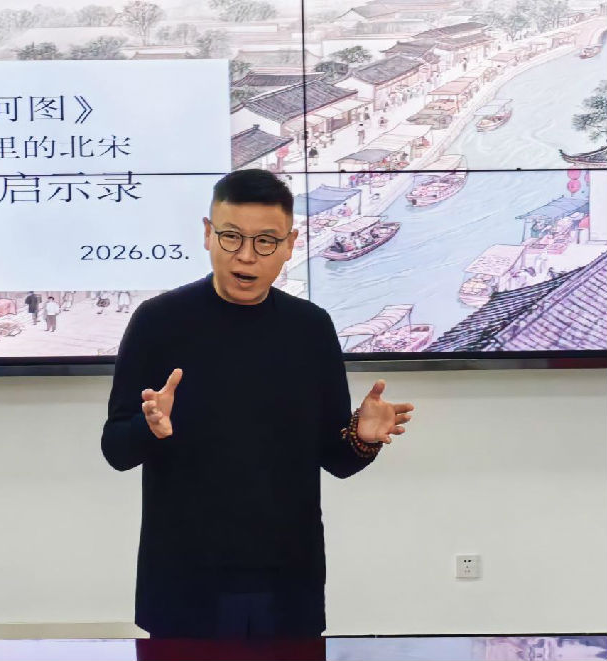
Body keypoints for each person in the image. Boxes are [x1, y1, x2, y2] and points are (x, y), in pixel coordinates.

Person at [101, 169, 415, 639]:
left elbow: (337, 460)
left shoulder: (310, 328)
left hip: (288, 578)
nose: (246, 256)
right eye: (231, 237)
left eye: (266, 241)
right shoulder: (158, 322)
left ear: (290, 245)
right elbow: (116, 450)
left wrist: (364, 437)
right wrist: (150, 428)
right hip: (183, 578)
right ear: (207, 234)